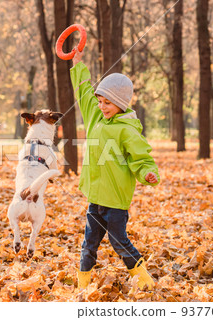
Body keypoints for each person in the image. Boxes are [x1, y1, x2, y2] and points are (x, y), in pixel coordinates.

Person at [70, 47, 160, 290]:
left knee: (118, 241)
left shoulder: (127, 130)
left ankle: (146, 282)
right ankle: (82, 286)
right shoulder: (95, 118)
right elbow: (83, 93)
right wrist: (77, 64)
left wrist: (148, 174)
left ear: (120, 103)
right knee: (89, 243)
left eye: (108, 102)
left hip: (116, 202)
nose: (102, 106)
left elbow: (141, 159)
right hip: (95, 198)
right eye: (100, 101)